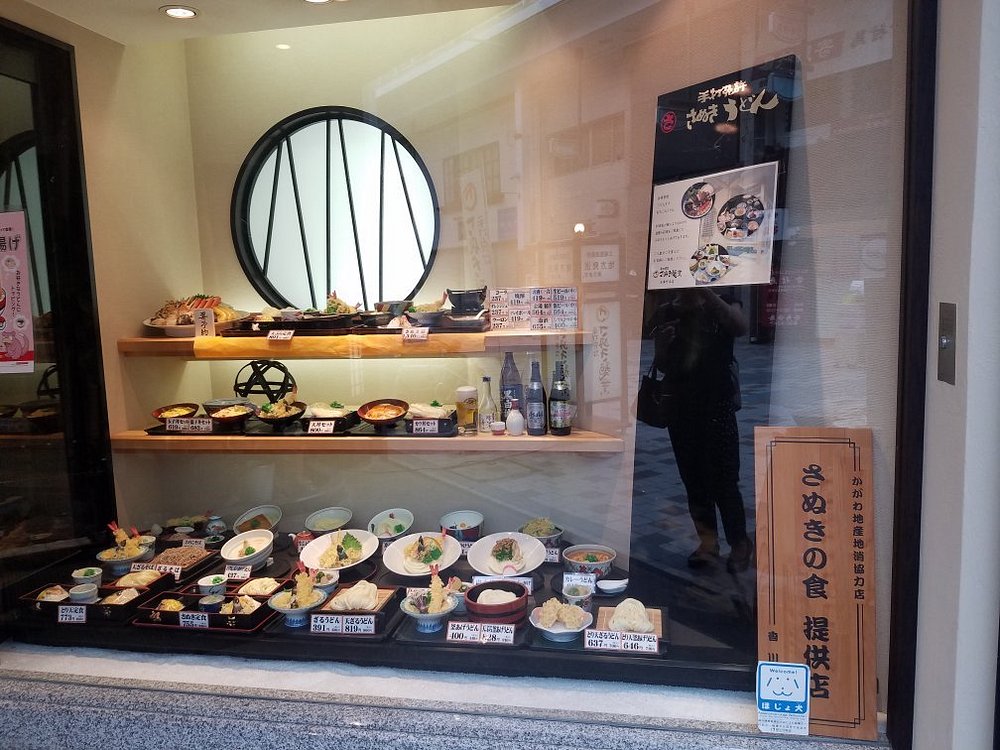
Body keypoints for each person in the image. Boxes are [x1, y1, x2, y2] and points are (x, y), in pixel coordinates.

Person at [646, 287, 753, 573]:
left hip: (717, 405)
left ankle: (739, 544)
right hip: (681, 407)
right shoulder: (667, 310)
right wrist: (663, 345)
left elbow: (740, 327)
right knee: (693, 480)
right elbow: (662, 363)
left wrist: (705, 293)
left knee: (725, 480)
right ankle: (708, 543)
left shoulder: (723, 301)